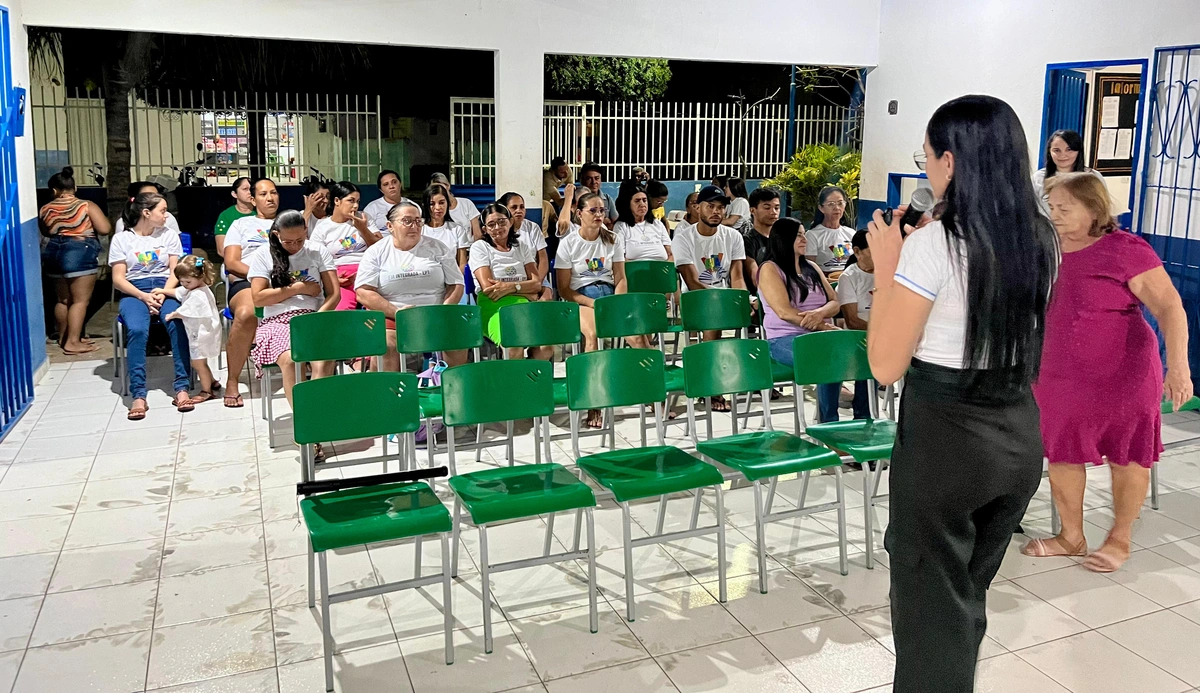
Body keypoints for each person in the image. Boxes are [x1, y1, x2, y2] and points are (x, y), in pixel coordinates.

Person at [864, 95, 1059, 693]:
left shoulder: (932, 245)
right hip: (1017, 435)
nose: (924, 170)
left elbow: (885, 365)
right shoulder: (1041, 238)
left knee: (930, 608)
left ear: (951, 161)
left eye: (926, 159)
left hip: (947, 441)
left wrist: (889, 268)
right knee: (964, 595)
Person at [1022, 172, 1191, 572]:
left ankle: (1120, 536)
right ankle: (1071, 535)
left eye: (1066, 207)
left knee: (1127, 452)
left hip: (1124, 373)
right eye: (1052, 206)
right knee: (1061, 450)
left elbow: (1170, 307)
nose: (1056, 214)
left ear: (1094, 208)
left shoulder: (1125, 249)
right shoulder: (1043, 247)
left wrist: (1178, 367)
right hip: (1057, 373)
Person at [109, 193, 193, 420]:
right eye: (162, 210)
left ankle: (182, 387)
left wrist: (163, 293)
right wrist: (143, 296)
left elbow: (177, 270)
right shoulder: (122, 240)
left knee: (177, 321)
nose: (167, 215)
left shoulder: (169, 236)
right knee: (136, 329)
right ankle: (138, 393)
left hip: (166, 288)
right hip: (134, 290)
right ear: (146, 213)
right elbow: (118, 278)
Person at [356, 200, 466, 372]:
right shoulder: (376, 252)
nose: (414, 226)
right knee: (387, 345)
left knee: (458, 340)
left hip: (435, 315)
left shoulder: (437, 248)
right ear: (390, 226)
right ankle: (390, 395)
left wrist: (443, 311)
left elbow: (456, 284)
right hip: (394, 316)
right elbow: (363, 292)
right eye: (407, 221)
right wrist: (397, 313)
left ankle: (453, 394)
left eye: (418, 221)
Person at [247, 210, 339, 411]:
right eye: (288, 242)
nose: (295, 246)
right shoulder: (263, 255)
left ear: (306, 231)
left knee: (323, 360)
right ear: (276, 235)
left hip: (314, 317)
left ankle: (317, 412)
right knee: (291, 360)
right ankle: (303, 417)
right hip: (277, 321)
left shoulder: (317, 251)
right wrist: (298, 288)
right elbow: (259, 297)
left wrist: (317, 318)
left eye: (300, 240)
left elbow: (334, 294)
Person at [555, 191, 630, 427]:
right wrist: (593, 304)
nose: (599, 215)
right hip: (582, 297)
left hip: (610, 294)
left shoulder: (612, 239)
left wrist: (617, 303)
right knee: (593, 336)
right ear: (579, 214)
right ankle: (594, 402)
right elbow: (564, 289)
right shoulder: (568, 244)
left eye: (602, 210)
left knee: (639, 336)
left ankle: (649, 395)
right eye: (593, 210)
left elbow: (620, 278)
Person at [756, 218, 843, 419]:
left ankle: (863, 416)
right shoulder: (770, 268)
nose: (804, 239)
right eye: (798, 235)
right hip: (784, 338)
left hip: (822, 336)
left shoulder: (811, 266)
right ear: (784, 238)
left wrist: (820, 314)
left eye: (804, 234)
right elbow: (784, 312)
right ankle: (829, 425)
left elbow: (835, 302)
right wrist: (822, 326)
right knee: (825, 361)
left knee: (861, 353)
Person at [38, 166, 111, 355]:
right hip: (80, 251)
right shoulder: (86, 205)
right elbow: (104, 228)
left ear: (54, 190)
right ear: (75, 187)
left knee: (62, 300)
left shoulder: (45, 208)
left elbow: (47, 231)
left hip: (53, 252)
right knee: (80, 301)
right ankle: (73, 342)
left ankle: (64, 337)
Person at [222, 178, 281, 408]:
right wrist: (261, 276)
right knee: (246, 313)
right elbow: (232, 262)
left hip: (284, 283)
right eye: (264, 194)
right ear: (253, 199)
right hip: (248, 282)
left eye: (274, 193)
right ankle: (232, 381)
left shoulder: (287, 221)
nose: (270, 198)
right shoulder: (240, 225)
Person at [469, 204, 553, 360]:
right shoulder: (479, 248)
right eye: (491, 224)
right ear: (485, 229)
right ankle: (514, 382)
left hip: (523, 304)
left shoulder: (521, 246)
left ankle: (527, 379)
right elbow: (489, 289)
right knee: (514, 343)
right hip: (494, 306)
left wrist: (509, 287)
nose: (497, 227)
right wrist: (525, 288)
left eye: (502, 221)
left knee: (546, 346)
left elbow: (536, 284)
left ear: (510, 222)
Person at [156, 255, 222, 404]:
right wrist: (163, 290)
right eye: (181, 281)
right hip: (199, 332)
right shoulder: (193, 287)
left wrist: (172, 315)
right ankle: (212, 381)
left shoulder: (198, 294)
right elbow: (178, 292)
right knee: (199, 362)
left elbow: (186, 310)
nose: (184, 284)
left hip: (200, 335)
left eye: (187, 281)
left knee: (198, 363)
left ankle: (206, 391)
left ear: (200, 277)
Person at [309, 181, 383, 310]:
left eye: (358, 201)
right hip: (341, 276)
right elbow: (315, 260)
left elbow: (381, 248)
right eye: (351, 201)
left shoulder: (364, 218)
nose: (355, 206)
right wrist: (334, 279)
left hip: (368, 271)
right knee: (342, 311)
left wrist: (363, 229)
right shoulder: (323, 227)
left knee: (374, 310)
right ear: (337, 201)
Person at [832, 228, 875, 420]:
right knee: (868, 355)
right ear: (857, 252)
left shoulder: (888, 272)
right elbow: (852, 320)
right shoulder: (849, 277)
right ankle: (863, 415)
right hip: (857, 337)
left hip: (880, 334)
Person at [1032, 129, 1106, 214]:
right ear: (1050, 152)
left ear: (1078, 151)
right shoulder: (1038, 178)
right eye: (1056, 150)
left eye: (1069, 150)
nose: (1063, 155)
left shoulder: (1093, 177)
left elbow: (1102, 210)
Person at [497, 191, 551, 292]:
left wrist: (537, 282)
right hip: (511, 277)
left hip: (535, 276)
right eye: (514, 207)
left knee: (545, 298)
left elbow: (543, 260)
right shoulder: (498, 231)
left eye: (522, 207)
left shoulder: (533, 227)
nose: (519, 210)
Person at [614, 180, 672, 262]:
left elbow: (670, 253)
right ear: (628, 204)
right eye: (637, 201)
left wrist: (666, 267)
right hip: (635, 272)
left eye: (644, 200)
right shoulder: (621, 226)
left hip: (661, 270)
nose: (642, 204)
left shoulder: (657, 224)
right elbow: (620, 257)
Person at [805, 186, 856, 278]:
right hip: (825, 282)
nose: (837, 208)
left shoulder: (851, 233)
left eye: (840, 203)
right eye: (831, 204)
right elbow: (810, 268)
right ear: (821, 208)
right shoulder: (812, 235)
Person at [741, 187, 781, 301]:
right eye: (767, 207)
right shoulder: (747, 240)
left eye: (776, 208)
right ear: (752, 210)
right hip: (761, 298)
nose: (773, 212)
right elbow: (755, 277)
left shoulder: (783, 239)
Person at [422, 185, 471, 270]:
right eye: (432, 204)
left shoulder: (457, 230)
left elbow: (462, 263)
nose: (438, 208)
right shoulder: (419, 229)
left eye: (441, 202)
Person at [430, 172, 483, 241]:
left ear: (447, 186)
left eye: (440, 187)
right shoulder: (437, 210)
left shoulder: (466, 203)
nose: (437, 191)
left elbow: (477, 233)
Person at [114, 182, 181, 234]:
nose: (155, 199)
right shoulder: (123, 223)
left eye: (157, 195)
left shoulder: (169, 218)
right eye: (148, 196)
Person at [214, 177, 254, 258]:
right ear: (234, 194)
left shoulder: (262, 212)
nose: (250, 192)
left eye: (252, 189)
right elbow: (221, 250)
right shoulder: (226, 216)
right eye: (245, 189)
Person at [362, 170, 412, 234]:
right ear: (381, 190)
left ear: (400, 184)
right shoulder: (371, 208)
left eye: (394, 182)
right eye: (386, 184)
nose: (391, 186)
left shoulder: (412, 206)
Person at [579, 161, 617, 228]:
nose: (594, 182)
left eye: (597, 178)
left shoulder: (607, 199)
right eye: (589, 179)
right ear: (582, 181)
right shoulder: (577, 200)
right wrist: (603, 221)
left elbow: (615, 222)